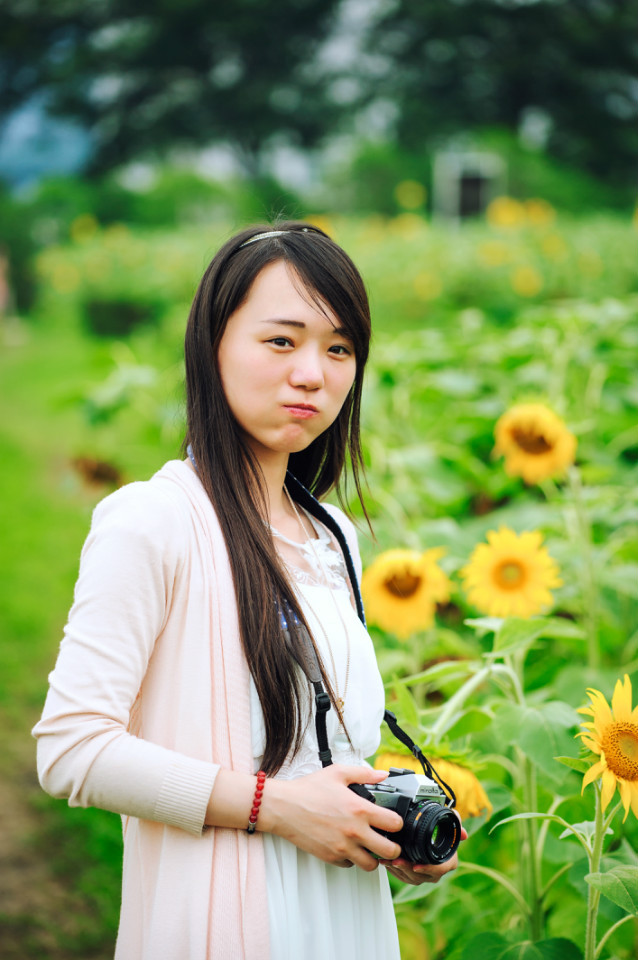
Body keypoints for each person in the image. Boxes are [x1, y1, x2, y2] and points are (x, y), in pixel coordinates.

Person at [33, 222, 465, 960]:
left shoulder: (332, 534)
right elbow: (72, 748)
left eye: (339, 349)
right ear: (213, 346)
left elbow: (321, 748)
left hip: (347, 915)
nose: (313, 374)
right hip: (226, 919)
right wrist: (280, 809)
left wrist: (379, 820)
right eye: (281, 341)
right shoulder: (154, 520)